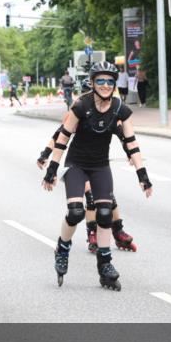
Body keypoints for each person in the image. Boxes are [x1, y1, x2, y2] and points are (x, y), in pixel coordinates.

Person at [41, 62, 153, 291]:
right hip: (76, 166)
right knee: (76, 213)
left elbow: (130, 142)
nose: (105, 85)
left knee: (104, 213)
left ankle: (105, 265)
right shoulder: (81, 105)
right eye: (100, 81)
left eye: (110, 81)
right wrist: (52, 168)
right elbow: (63, 137)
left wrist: (143, 175)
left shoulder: (120, 109)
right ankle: (62, 248)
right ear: (92, 83)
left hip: (100, 166)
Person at [38, 78, 138, 253]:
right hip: (78, 163)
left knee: (108, 199)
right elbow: (59, 136)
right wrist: (45, 155)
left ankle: (118, 230)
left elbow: (123, 135)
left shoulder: (109, 112)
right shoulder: (79, 110)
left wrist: (130, 153)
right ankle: (92, 231)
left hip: (98, 163)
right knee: (90, 196)